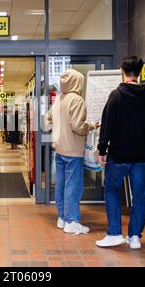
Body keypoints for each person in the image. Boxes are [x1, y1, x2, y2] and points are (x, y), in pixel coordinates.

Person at [95, 56, 145, 250]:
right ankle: (134, 237)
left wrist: (102, 149)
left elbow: (107, 124)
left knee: (111, 189)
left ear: (122, 71)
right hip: (141, 157)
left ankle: (115, 233)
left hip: (120, 154)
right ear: (139, 73)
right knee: (139, 195)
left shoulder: (116, 95)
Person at [45, 69, 96, 235]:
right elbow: (78, 126)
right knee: (72, 186)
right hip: (73, 150)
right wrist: (92, 126)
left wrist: (58, 128)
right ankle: (72, 221)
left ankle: (62, 218)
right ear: (77, 82)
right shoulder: (77, 100)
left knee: (61, 184)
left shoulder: (59, 100)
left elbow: (47, 121)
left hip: (59, 148)